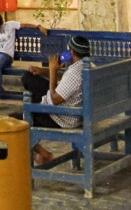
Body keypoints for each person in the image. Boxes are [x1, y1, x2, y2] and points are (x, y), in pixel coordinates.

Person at [20, 34, 90, 167]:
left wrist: (52, 70)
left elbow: (55, 100)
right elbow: (67, 82)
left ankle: (45, 154)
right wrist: (44, 72)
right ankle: (37, 106)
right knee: (29, 77)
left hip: (63, 117)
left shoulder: (74, 73)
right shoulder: (87, 66)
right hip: (81, 113)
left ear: (71, 52)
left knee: (18, 122)